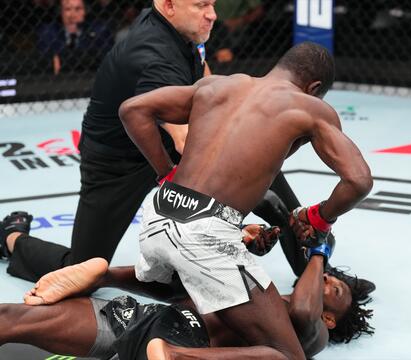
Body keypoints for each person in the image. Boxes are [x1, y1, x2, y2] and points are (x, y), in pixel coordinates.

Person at [4, 0, 322, 293]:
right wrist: (232, 216)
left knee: (258, 158)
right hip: (117, 161)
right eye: (201, 5)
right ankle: (11, 238)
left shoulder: (183, 26)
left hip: (163, 141)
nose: (212, 14)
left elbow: (205, 84)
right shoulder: (154, 57)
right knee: (83, 273)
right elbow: (189, 143)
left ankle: (316, 270)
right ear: (169, 5)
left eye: (211, 3)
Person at [109, 41, 372, 358]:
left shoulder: (216, 85)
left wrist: (166, 174)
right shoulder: (309, 108)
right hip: (203, 235)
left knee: (193, 283)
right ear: (314, 88)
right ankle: (175, 356)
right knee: (286, 354)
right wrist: (318, 218)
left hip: (157, 216)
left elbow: (132, 110)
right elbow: (358, 180)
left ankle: (97, 275)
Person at [3, 237, 373, 359]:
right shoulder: (256, 287)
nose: (325, 279)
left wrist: (319, 249)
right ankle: (104, 273)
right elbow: (171, 286)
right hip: (148, 320)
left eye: (334, 288)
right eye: (325, 278)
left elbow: (307, 308)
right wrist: (108, 276)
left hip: (187, 342)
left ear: (331, 319)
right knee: (12, 317)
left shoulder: (309, 335)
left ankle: (175, 355)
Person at [37, 0, 113, 74]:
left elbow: (106, 60)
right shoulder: (48, 32)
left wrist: (60, 60)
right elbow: (43, 62)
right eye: (68, 9)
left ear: (85, 11)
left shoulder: (99, 31)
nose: (72, 14)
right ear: (60, 12)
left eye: (78, 9)